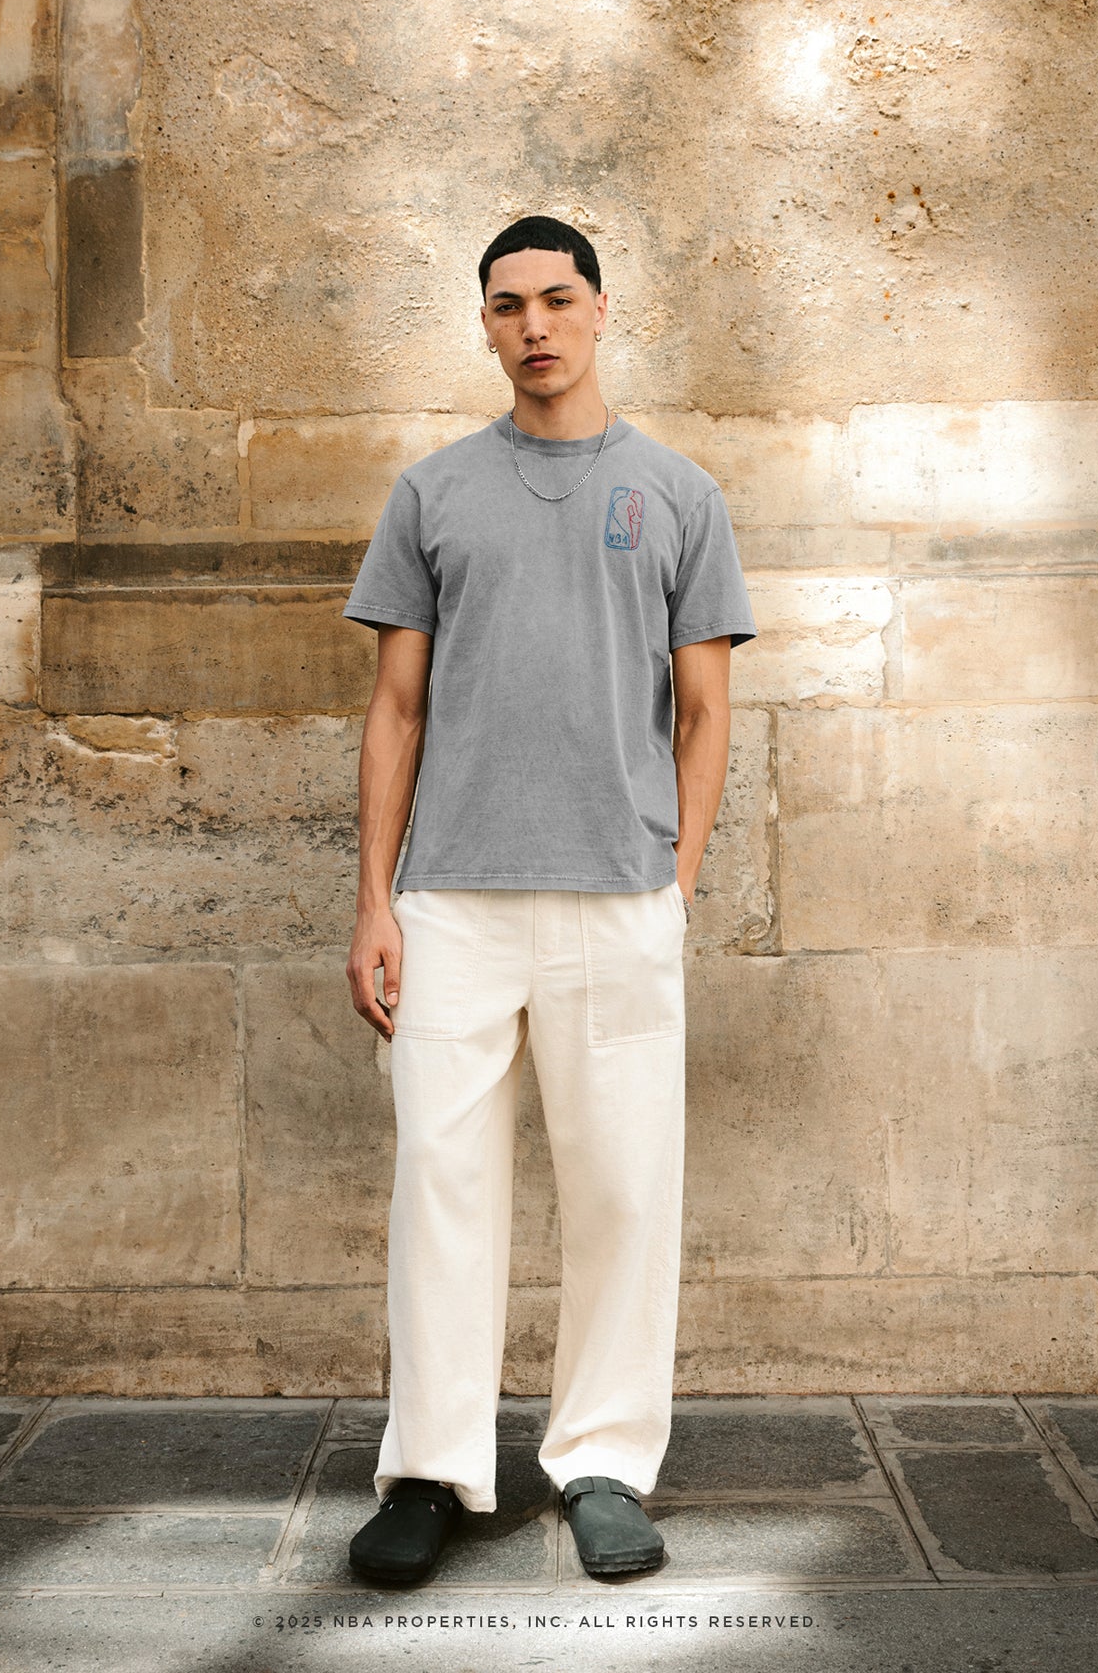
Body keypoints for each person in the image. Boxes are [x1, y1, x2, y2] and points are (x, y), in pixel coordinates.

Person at [339, 215, 757, 1581]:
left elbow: (706, 713)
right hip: (453, 900)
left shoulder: (678, 494)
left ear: (599, 310)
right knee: (440, 1184)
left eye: (558, 300)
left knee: (625, 1189)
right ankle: (431, 1468)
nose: (536, 325)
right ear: (484, 323)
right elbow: (396, 708)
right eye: (510, 304)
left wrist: (674, 884)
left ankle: (604, 1463)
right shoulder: (434, 494)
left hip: (617, 901)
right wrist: (375, 902)